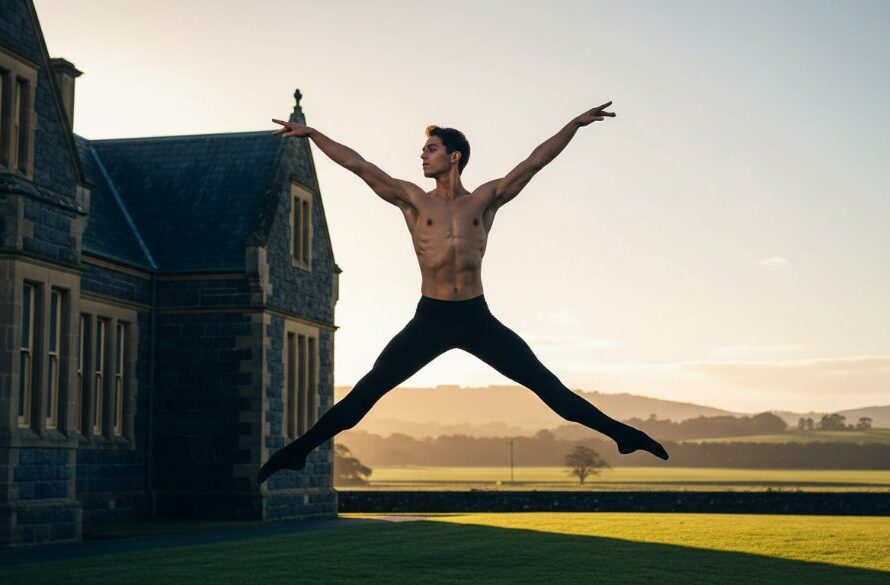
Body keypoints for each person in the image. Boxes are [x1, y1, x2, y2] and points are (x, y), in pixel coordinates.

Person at [257, 101, 668, 485]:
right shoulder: (413, 200)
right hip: (430, 319)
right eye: (423, 150)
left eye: (431, 149)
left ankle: (623, 436)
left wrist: (573, 125)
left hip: (476, 318)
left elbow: (534, 163)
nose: (423, 156)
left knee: (548, 386)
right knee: (368, 391)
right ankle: (298, 452)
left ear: (453, 156)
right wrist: (312, 134)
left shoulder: (485, 201)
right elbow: (359, 165)